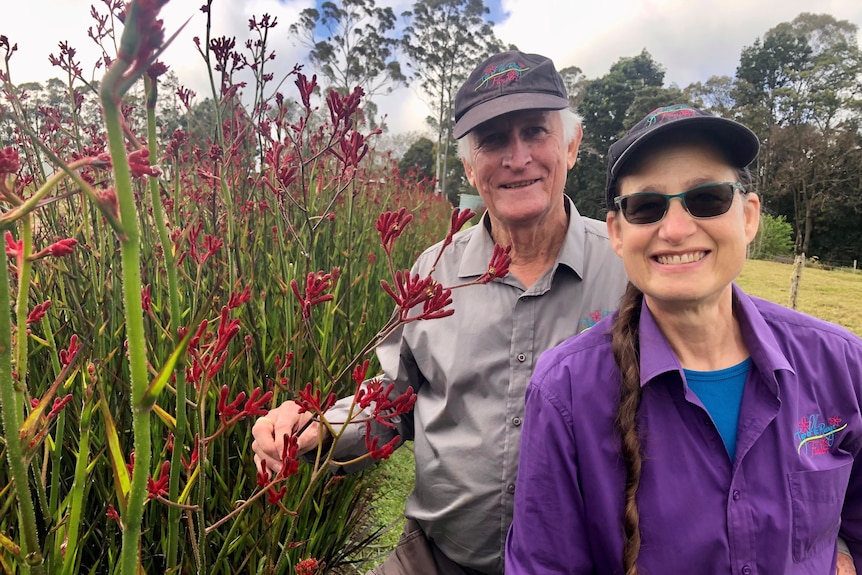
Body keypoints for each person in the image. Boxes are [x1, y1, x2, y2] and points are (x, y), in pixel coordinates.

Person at [251, 50, 628, 575]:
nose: (516, 157)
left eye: (536, 132)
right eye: (493, 140)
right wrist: (318, 427)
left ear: (571, 143)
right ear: (470, 165)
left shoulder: (628, 269)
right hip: (440, 556)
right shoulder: (433, 272)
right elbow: (391, 402)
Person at [505, 104, 862, 574]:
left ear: (749, 216)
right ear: (616, 231)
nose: (675, 230)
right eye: (646, 207)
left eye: (708, 198)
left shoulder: (840, 365)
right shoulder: (565, 392)